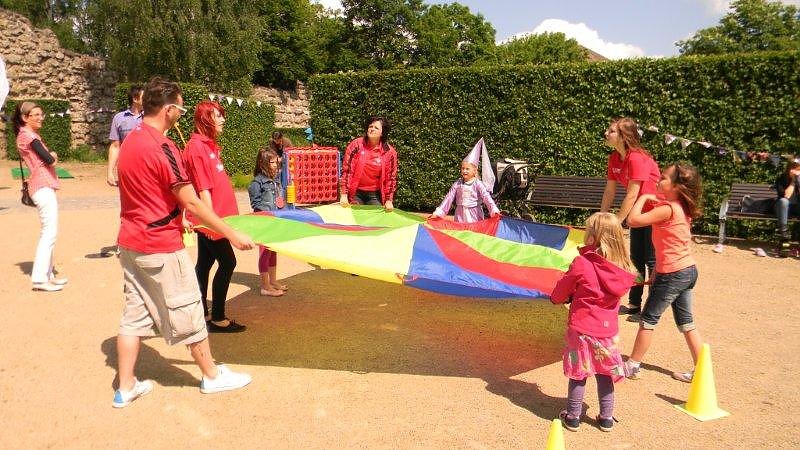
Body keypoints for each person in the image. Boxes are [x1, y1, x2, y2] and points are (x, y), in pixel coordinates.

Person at [114, 78, 255, 408]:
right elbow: (191, 201)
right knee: (189, 308)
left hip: (131, 243)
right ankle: (212, 376)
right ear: (168, 110)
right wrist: (232, 234)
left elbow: (148, 193)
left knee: (133, 316)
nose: (181, 113)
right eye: (179, 107)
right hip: (159, 245)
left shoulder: (131, 139)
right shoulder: (163, 147)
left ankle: (126, 386)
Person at [550, 212, 637, 432]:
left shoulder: (582, 263)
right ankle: (606, 417)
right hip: (607, 333)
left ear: (594, 237)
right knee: (605, 373)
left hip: (580, 330)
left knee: (579, 373)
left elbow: (561, 292)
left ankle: (573, 416)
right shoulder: (622, 269)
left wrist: (556, 298)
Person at [624, 162, 704, 384]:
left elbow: (633, 220)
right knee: (687, 322)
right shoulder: (679, 207)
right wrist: (658, 274)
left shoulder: (667, 209)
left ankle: (632, 365)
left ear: (678, 186)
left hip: (673, 274)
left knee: (647, 319)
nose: (659, 181)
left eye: (664, 178)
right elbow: (671, 247)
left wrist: (642, 198)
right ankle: (701, 369)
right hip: (686, 271)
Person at [182, 100, 245, 333]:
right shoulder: (197, 148)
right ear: (205, 119)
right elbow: (202, 190)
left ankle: (203, 312)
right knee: (228, 262)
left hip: (214, 220)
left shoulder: (208, 146)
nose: (223, 120)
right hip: (211, 220)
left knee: (205, 263)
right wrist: (214, 224)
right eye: (217, 116)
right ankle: (218, 317)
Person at [600, 117, 660, 320]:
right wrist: (602, 217)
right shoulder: (614, 158)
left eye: (611, 131)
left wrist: (616, 221)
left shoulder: (637, 158)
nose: (606, 134)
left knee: (652, 261)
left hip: (655, 212)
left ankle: (650, 312)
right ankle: (634, 305)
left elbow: (632, 194)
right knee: (635, 259)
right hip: (638, 213)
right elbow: (610, 191)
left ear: (624, 136)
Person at [13, 102, 67, 292]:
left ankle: (47, 275)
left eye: (41, 114)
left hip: (42, 185)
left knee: (50, 231)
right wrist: (53, 155)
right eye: (35, 114)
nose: (40, 117)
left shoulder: (27, 135)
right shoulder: (28, 136)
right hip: (41, 186)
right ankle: (39, 279)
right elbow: (49, 159)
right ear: (25, 118)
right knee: (49, 232)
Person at [248, 148, 287, 297]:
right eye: (272, 162)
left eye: (276, 161)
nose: (276, 165)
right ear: (263, 163)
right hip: (265, 222)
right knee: (264, 252)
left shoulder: (276, 180)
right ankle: (265, 285)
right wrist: (266, 215)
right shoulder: (257, 183)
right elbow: (255, 204)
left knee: (273, 250)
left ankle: (273, 281)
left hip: (276, 220)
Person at [339, 116, 397, 212]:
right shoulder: (356, 145)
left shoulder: (389, 153)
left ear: (382, 133)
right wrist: (344, 194)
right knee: (354, 217)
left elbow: (390, 178)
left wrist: (389, 200)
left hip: (374, 195)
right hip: (356, 192)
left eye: (376, 128)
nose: (372, 129)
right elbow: (347, 170)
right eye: (371, 126)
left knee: (376, 220)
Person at [430, 159, 500, 223]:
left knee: (474, 232)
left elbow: (486, 196)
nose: (464, 171)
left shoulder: (478, 184)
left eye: (467, 169)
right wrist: (438, 213)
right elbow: (449, 197)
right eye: (463, 168)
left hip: (475, 214)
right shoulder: (457, 183)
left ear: (474, 171)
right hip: (460, 214)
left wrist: (493, 209)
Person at [107, 85, 144, 186]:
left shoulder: (151, 117)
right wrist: (110, 171)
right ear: (135, 99)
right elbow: (115, 146)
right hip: (127, 168)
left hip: (147, 167)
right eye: (144, 97)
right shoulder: (119, 118)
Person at [774, 159, 800, 241]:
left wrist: (798, 181)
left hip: (796, 208)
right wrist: (793, 181)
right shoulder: (782, 178)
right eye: (795, 169)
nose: (796, 172)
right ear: (789, 169)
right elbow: (786, 196)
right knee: (783, 201)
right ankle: (784, 233)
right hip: (781, 208)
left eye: (798, 169)